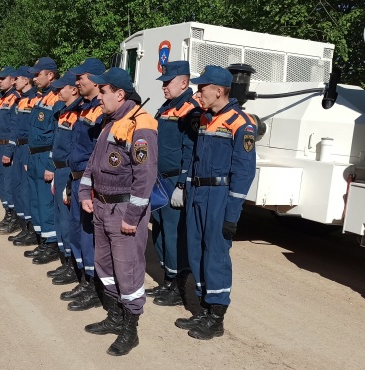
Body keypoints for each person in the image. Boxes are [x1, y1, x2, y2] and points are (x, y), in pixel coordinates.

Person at [78, 67, 158, 356]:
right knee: (106, 266)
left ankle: (130, 328)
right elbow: (94, 162)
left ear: (120, 94)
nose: (98, 97)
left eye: (103, 91)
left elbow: (145, 176)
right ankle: (114, 317)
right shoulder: (111, 121)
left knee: (128, 269)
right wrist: (84, 192)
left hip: (123, 209)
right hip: (101, 206)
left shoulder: (140, 124)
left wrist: (132, 217)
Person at [175, 65, 256, 340]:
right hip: (198, 193)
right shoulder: (205, 118)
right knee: (195, 250)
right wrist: (187, 189)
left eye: (202, 88)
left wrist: (232, 214)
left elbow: (244, 173)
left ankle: (216, 317)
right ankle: (203, 308)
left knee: (216, 254)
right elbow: (195, 158)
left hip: (219, 196)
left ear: (219, 91)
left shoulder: (241, 123)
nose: (198, 92)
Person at [147, 61, 201, 307]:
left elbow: (190, 151)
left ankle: (179, 287)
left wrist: (182, 185)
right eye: (163, 82)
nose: (164, 87)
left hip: (173, 181)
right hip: (158, 179)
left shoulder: (190, 110)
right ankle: (168, 280)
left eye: (168, 82)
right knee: (159, 231)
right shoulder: (167, 107)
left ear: (184, 82)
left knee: (174, 235)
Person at [62, 58, 106, 311]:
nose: (77, 81)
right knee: (78, 231)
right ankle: (84, 278)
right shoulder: (84, 108)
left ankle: (94, 285)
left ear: (95, 80)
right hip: (77, 177)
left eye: (81, 77)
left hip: (90, 182)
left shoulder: (101, 110)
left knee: (90, 236)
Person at [44, 71, 82, 282]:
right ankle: (65, 260)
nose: (57, 91)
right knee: (59, 218)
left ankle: (72, 265)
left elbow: (74, 148)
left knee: (68, 221)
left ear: (74, 90)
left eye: (61, 88)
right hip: (59, 170)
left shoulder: (77, 114)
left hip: (68, 170)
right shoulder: (64, 112)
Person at [22, 57, 62, 264]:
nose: (35, 78)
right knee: (36, 200)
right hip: (34, 155)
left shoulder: (57, 99)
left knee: (46, 202)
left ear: (50, 75)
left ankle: (52, 244)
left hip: (45, 156)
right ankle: (42, 240)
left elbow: (57, 136)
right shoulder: (41, 98)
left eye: (38, 74)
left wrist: (50, 164)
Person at [6, 66, 40, 245]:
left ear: (26, 80)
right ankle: (24, 227)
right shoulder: (20, 100)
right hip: (19, 148)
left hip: (27, 147)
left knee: (27, 191)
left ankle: (32, 230)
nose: (14, 82)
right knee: (17, 188)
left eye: (17, 79)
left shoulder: (35, 99)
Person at [0, 66, 20, 233]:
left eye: (3, 78)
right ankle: (7, 215)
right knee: (1, 184)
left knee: (9, 185)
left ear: (13, 80)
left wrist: (9, 151)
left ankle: (14, 218)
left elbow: (15, 128)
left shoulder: (15, 99)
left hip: (8, 147)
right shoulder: (2, 98)